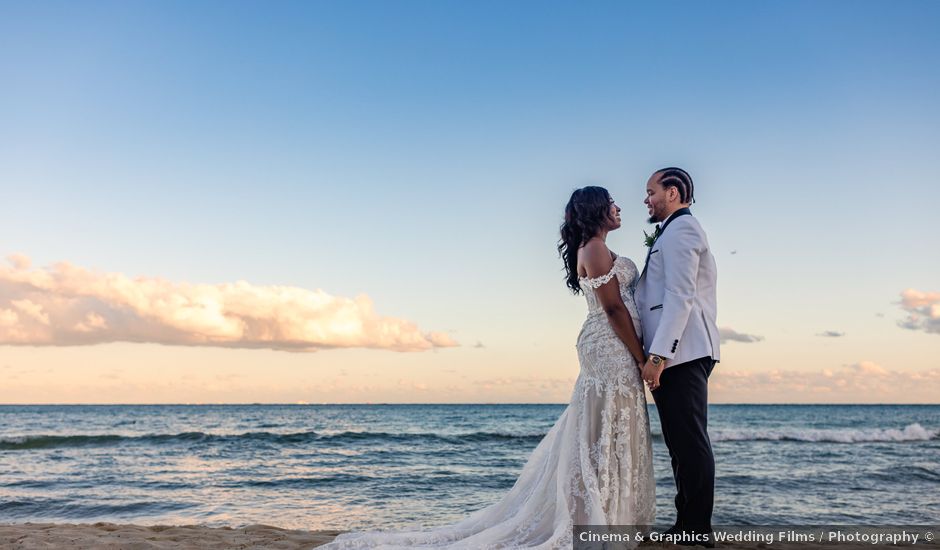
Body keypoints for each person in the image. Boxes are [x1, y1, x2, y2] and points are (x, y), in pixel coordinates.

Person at [321, 186, 655, 549]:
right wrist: (641, 357)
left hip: (609, 343)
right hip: (610, 345)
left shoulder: (596, 247)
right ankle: (596, 521)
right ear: (596, 210)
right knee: (605, 427)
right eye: (611, 203)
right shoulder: (593, 247)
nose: (619, 208)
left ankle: (604, 517)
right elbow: (613, 309)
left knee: (605, 426)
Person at [635, 167, 720, 547]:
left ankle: (697, 530)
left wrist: (658, 356)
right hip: (677, 354)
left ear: (672, 193)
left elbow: (680, 295)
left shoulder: (683, 228)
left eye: (650, 191)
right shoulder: (673, 230)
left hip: (681, 353)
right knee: (680, 444)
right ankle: (687, 523)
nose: (646, 199)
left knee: (689, 443)